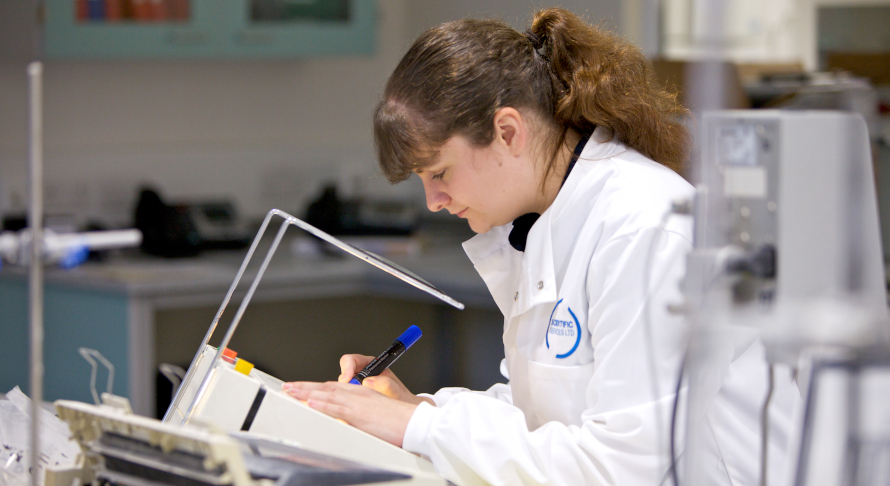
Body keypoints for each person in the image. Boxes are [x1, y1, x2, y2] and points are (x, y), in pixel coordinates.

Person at [283, 7, 799, 485]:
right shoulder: (542, 223)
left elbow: (619, 469)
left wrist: (418, 428)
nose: (433, 202)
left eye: (439, 172)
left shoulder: (647, 229)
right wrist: (420, 410)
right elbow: (542, 415)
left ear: (508, 132)